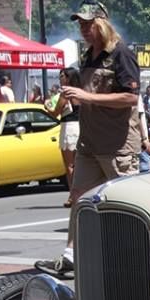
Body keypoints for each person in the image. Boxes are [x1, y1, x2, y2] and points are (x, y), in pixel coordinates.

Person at [34, 0, 141, 279]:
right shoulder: (87, 57)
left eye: (87, 23)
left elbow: (131, 97)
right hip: (90, 143)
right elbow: (86, 95)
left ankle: (130, 261)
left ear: (101, 23)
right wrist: (68, 93)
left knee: (124, 203)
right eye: (80, 24)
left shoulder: (121, 54)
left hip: (118, 145)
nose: (82, 29)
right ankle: (70, 257)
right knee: (80, 198)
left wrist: (87, 96)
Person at [45, 66, 81, 209]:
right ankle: (80, 193)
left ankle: (73, 195)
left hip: (69, 127)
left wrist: (47, 106)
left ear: (68, 78)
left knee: (69, 165)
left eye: (62, 76)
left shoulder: (65, 93)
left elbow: (56, 113)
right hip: (80, 126)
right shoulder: (80, 91)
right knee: (80, 164)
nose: (60, 79)